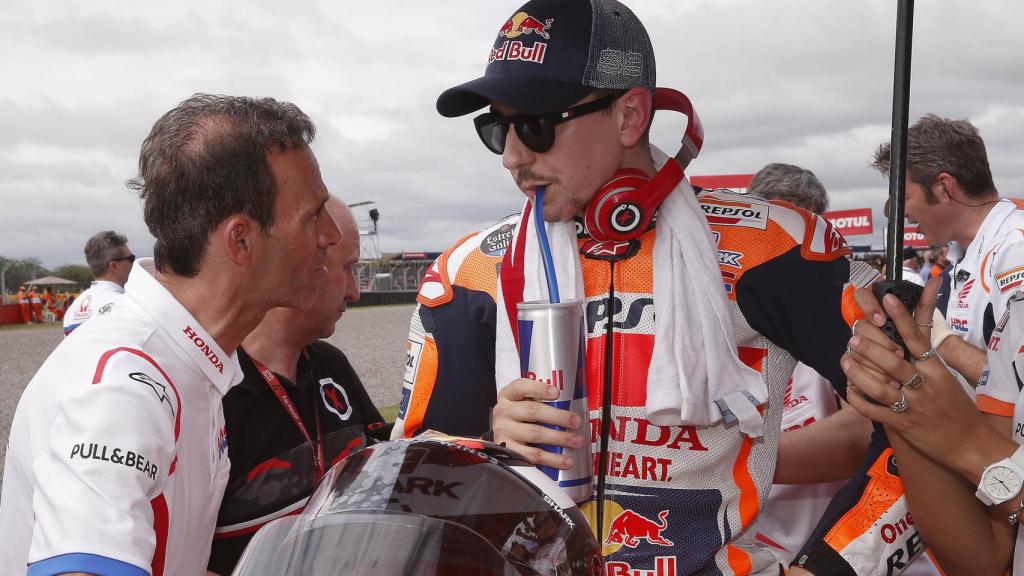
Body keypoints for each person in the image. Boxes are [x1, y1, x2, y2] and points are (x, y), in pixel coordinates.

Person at [394, 1, 874, 573]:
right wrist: (488, 445)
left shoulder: (775, 247)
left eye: (535, 126)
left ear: (629, 116)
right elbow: (411, 487)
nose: (513, 157)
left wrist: (835, 566)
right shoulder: (467, 273)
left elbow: (928, 421)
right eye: (496, 129)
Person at [0, 94, 341, 576]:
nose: (332, 234)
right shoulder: (125, 382)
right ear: (241, 240)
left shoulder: (190, 357)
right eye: (313, 215)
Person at [207, 197, 387, 575]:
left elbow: (384, 463)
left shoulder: (330, 364)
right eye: (349, 269)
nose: (354, 292)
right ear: (304, 262)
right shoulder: (210, 388)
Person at [746, 163, 876, 566]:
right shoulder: (713, 310)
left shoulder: (845, 313)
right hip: (728, 546)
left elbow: (867, 432)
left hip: (812, 551)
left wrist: (734, 463)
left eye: (794, 235)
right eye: (768, 231)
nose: (780, 253)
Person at [63, 230, 135, 335]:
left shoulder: (73, 308)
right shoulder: (124, 303)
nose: (134, 264)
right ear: (114, 266)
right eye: (131, 259)